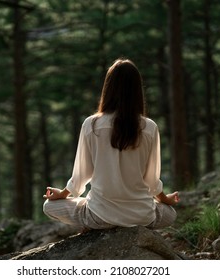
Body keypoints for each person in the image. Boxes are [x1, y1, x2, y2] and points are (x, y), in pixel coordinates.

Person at [43, 58, 179, 231]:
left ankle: (96, 227)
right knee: (170, 213)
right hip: (141, 217)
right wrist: (165, 199)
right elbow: (151, 181)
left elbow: (81, 176)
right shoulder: (150, 127)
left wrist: (62, 194)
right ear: (138, 90)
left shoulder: (91, 125)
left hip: (99, 217)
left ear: (108, 89)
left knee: (49, 205)